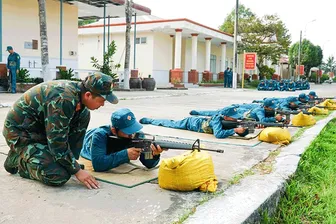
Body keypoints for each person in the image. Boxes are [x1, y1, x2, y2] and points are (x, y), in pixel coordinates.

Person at [3, 73, 118, 189]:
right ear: (88, 95)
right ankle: (17, 160)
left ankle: (63, 161)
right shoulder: (63, 99)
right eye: (102, 100)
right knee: (58, 176)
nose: (103, 104)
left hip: (40, 131)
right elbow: (56, 143)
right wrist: (77, 171)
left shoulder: (78, 96)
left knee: (83, 114)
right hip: (20, 134)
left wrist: (72, 165)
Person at [80, 108, 164, 172]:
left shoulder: (138, 135)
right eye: (127, 132)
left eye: (133, 129)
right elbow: (98, 165)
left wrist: (154, 154)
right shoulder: (100, 135)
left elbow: (149, 164)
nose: (132, 135)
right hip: (87, 138)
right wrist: (125, 154)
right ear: (114, 130)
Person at [140, 106, 248, 139]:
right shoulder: (217, 120)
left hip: (198, 120)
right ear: (226, 117)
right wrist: (234, 130)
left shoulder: (228, 120)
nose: (235, 119)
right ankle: (150, 120)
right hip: (190, 123)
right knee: (170, 123)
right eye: (233, 118)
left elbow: (244, 132)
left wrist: (243, 131)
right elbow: (218, 134)